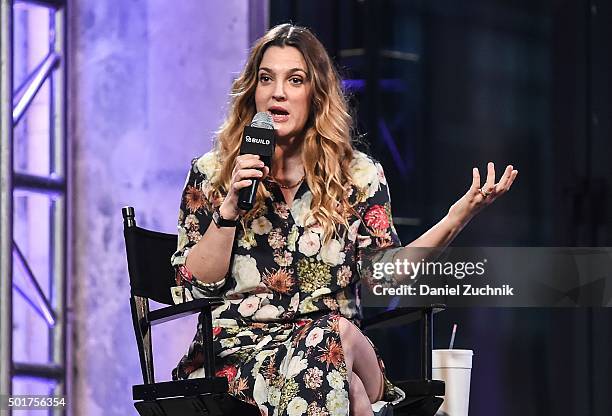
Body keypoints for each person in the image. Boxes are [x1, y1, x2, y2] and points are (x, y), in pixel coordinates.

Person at [170, 23, 518, 416]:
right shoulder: (214, 173)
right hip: (240, 357)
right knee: (345, 382)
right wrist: (230, 208)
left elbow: (383, 278)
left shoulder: (356, 177)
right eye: (266, 78)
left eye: (295, 80)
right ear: (253, 90)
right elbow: (194, 286)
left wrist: (456, 218)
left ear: (315, 95)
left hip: (333, 346)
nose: (277, 92)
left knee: (331, 341)